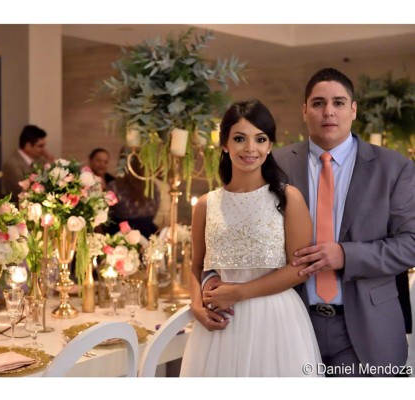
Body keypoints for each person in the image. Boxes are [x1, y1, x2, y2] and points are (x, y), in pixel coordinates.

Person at [205, 68, 415, 377]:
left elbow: (411, 243)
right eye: (318, 103)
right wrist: (209, 278)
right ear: (304, 111)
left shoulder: (393, 168)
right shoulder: (274, 162)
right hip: (287, 323)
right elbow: (231, 221)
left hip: (366, 329)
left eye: (339, 103)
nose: (328, 111)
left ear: (353, 109)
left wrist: (346, 255)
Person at [180, 99, 322, 377]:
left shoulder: (288, 197)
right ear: (225, 144)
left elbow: (300, 270)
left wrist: (239, 293)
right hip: (220, 325)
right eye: (239, 138)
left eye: (260, 139)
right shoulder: (206, 204)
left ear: (269, 146)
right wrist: (196, 306)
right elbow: (196, 266)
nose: (250, 148)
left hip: (275, 320)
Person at [107, 155, 160, 239]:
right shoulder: (152, 186)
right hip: (146, 231)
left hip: (120, 232)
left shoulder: (115, 186)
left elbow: (108, 212)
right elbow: (155, 208)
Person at [1, 125, 54, 198]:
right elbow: (19, 192)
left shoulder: (40, 160)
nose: (43, 150)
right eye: (40, 146)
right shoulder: (12, 164)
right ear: (28, 146)